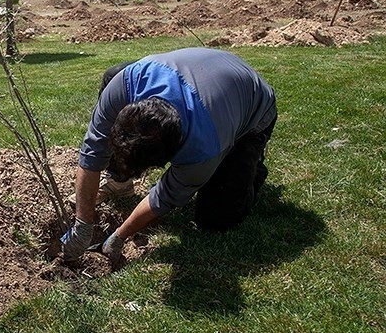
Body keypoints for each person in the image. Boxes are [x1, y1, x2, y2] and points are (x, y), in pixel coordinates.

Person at [61, 47, 277, 262]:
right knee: (112, 73)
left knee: (217, 218)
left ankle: (251, 166)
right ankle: (119, 182)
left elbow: (164, 196)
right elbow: (92, 153)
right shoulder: (125, 84)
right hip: (199, 70)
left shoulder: (203, 148)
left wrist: (119, 236)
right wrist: (83, 225)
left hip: (252, 106)